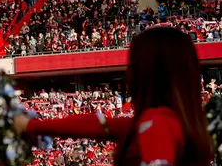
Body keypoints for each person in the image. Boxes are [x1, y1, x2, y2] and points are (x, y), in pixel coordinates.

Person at [13, 26, 213, 165]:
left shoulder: (155, 123)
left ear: (146, 73)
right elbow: (97, 125)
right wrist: (32, 125)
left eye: (131, 65)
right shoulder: (165, 121)